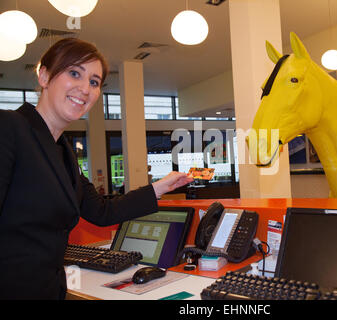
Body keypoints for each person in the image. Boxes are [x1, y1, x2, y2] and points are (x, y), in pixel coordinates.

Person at [0, 38, 193, 299]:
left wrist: (159, 187)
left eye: (94, 82)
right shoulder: (10, 127)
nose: (84, 88)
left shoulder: (63, 151)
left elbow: (101, 211)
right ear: (44, 76)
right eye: (74, 73)